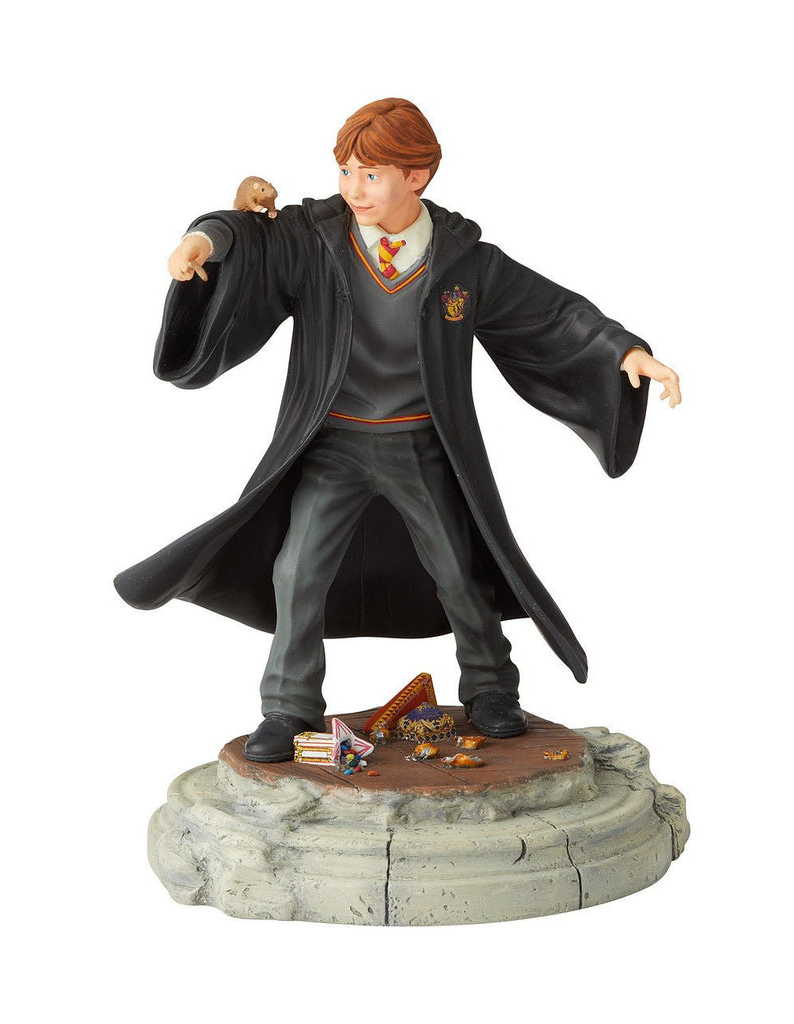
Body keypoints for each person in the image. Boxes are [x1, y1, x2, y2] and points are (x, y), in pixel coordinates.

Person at [114, 98, 681, 762]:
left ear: (417, 176)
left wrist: (622, 351)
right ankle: (288, 705)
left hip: (422, 445)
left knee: (458, 569)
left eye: (371, 174)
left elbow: (551, 313)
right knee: (297, 571)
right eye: (345, 171)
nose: (353, 189)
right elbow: (248, 236)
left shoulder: (462, 260)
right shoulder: (314, 240)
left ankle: (490, 686)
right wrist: (204, 240)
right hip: (332, 445)